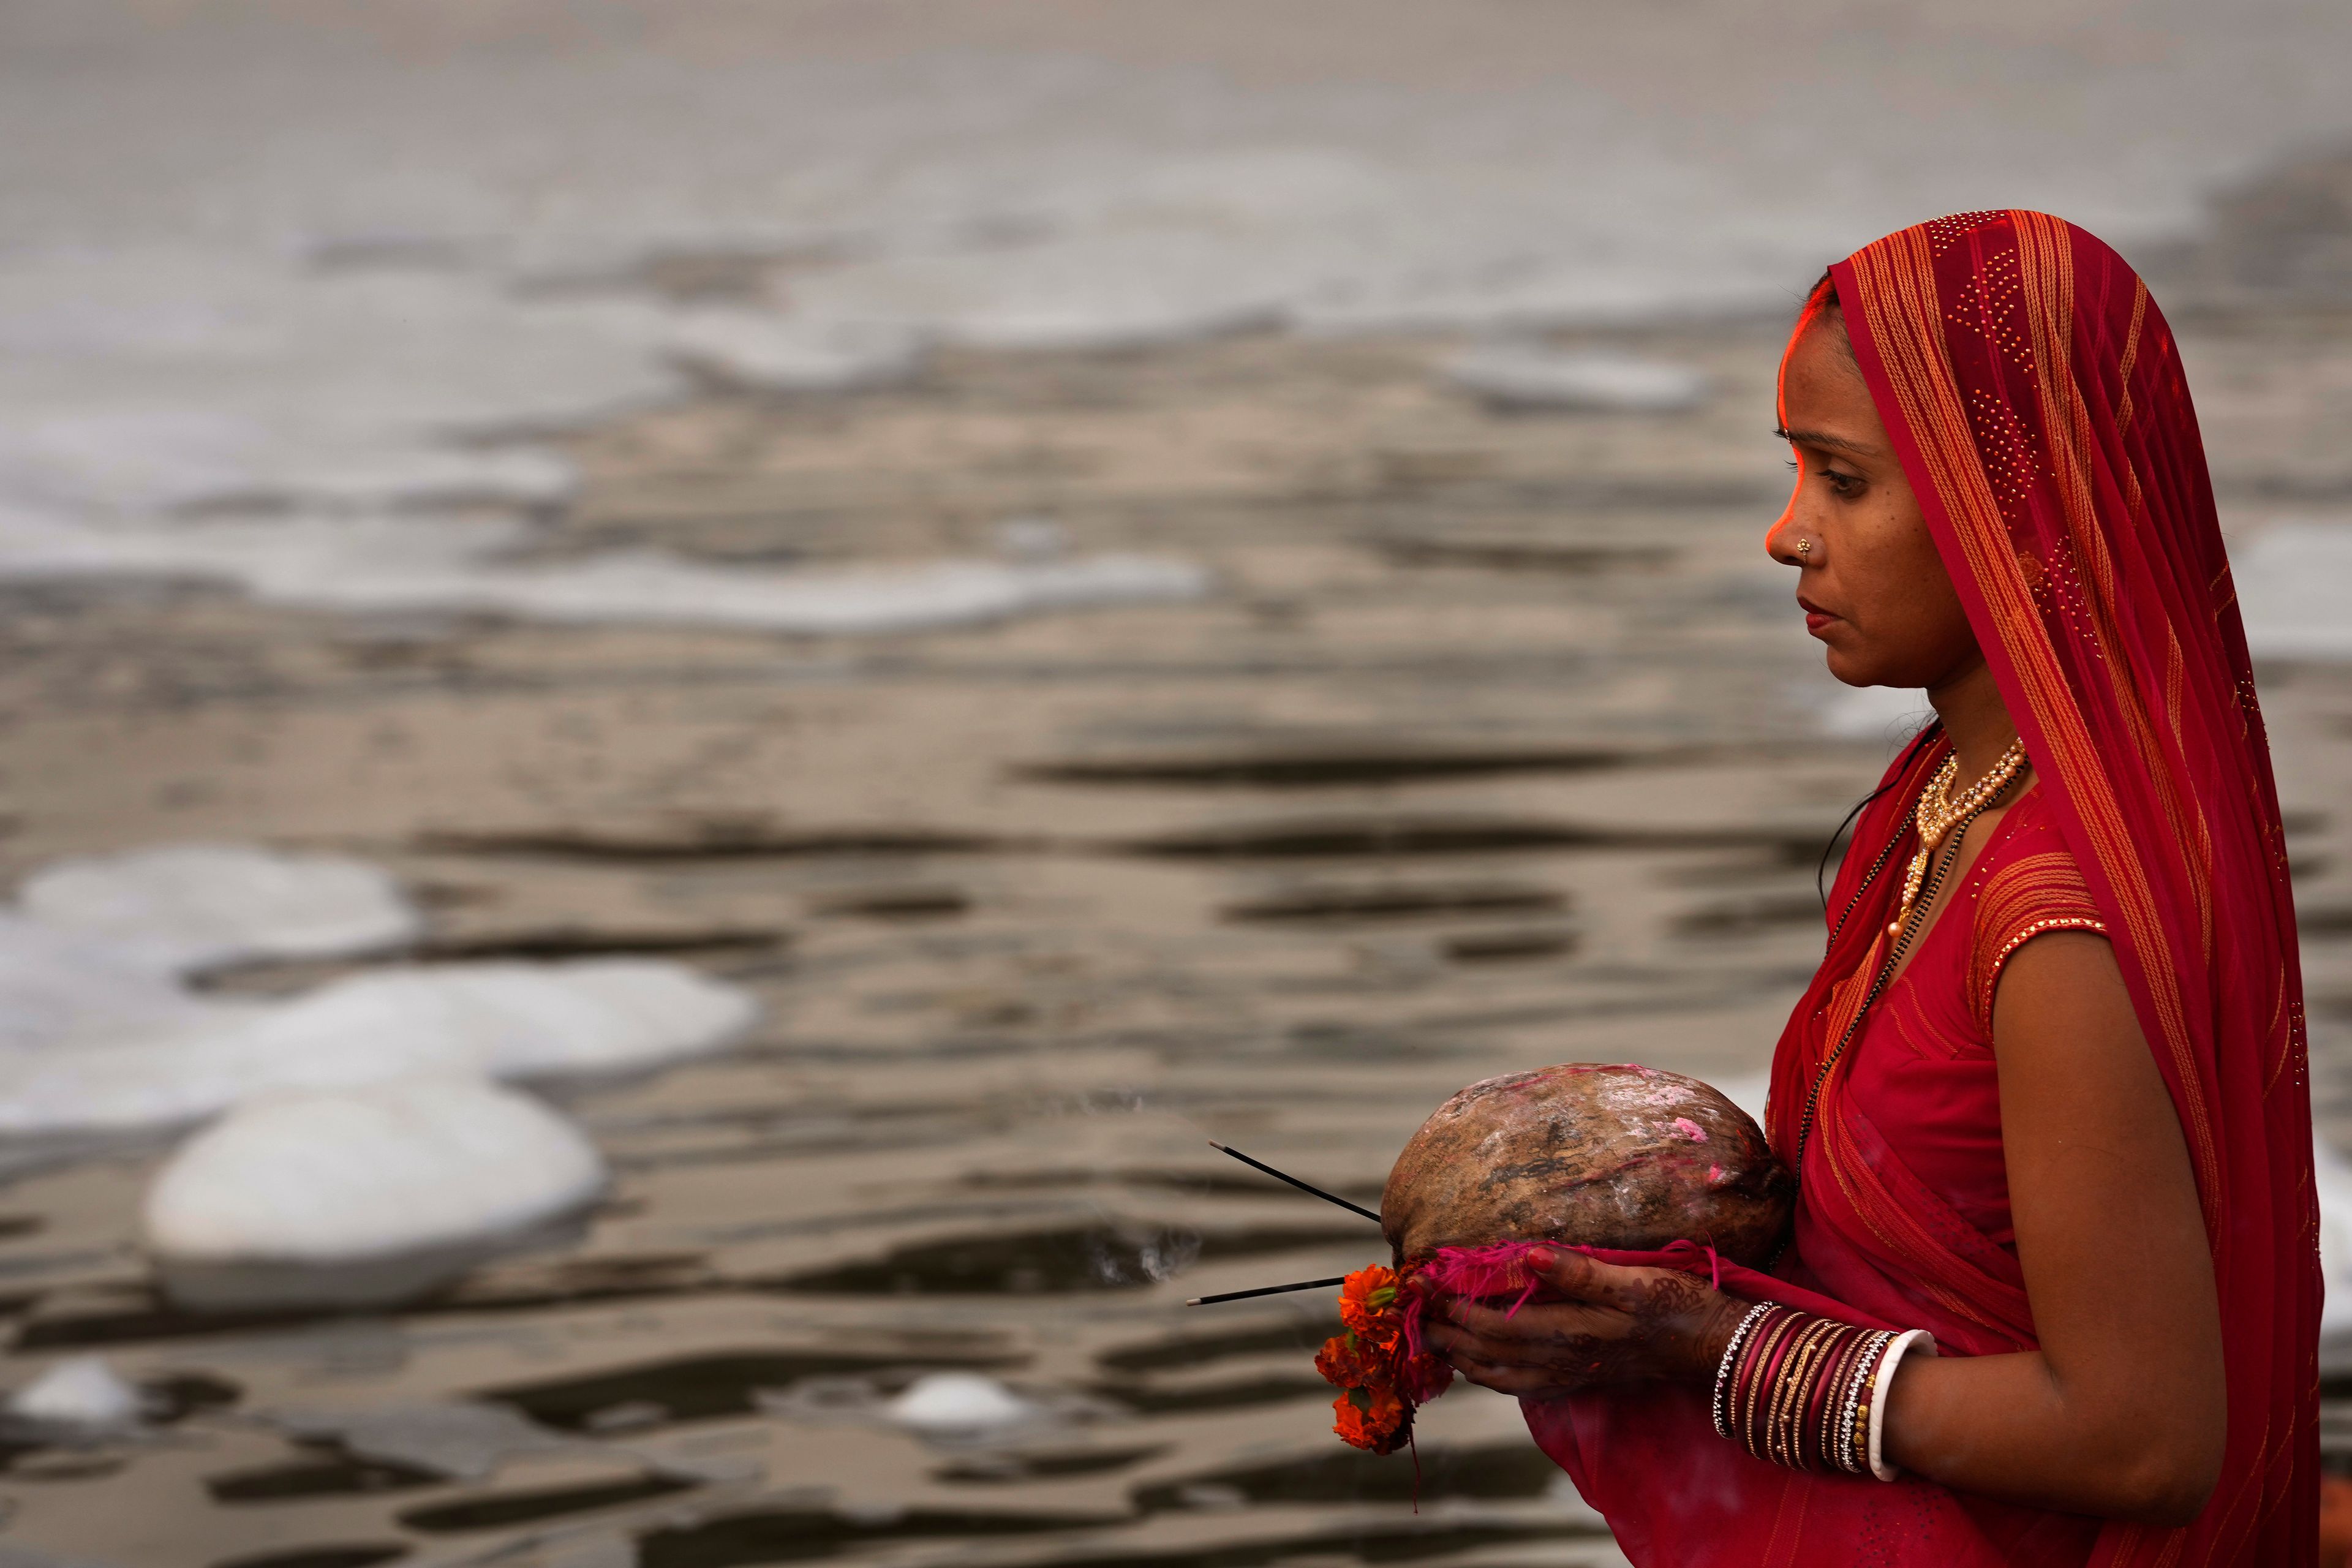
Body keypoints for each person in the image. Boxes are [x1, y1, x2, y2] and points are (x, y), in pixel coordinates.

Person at [1419, 211, 2317, 1564]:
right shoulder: (1944, 801)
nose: (1789, 534)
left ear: (2014, 506)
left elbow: (2141, 1437)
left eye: (1842, 479)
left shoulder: (2055, 917)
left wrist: (1709, 1340)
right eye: (1797, 471)